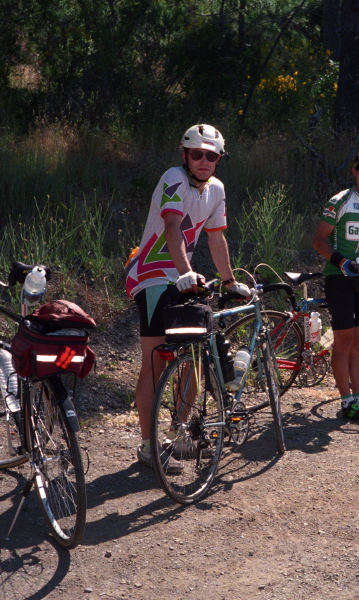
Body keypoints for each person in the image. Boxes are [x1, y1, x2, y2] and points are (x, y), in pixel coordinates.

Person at [125, 123, 249, 470]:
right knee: (156, 361)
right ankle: (149, 446)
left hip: (183, 278)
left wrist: (229, 282)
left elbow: (216, 239)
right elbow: (172, 228)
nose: (204, 161)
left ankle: (180, 434)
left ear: (219, 160)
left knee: (195, 356)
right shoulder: (174, 178)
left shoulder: (217, 189)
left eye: (211, 156)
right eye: (197, 154)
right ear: (185, 155)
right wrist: (184, 273)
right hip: (151, 277)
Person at [312, 150, 359, 420]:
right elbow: (319, 241)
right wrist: (343, 262)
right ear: (354, 172)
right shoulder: (340, 201)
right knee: (343, 341)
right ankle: (346, 402)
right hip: (339, 278)